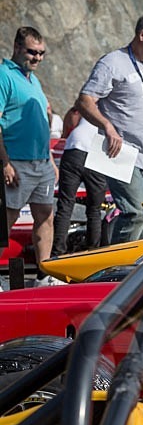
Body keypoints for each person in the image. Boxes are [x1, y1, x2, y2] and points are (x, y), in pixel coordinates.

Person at [76, 13, 143, 244]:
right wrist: (107, 126)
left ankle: (136, 269)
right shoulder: (112, 63)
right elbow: (85, 100)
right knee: (135, 213)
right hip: (117, 151)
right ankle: (117, 270)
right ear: (142, 36)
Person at [0, 26, 59, 282]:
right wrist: (5, 163)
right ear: (17, 48)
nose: (37, 58)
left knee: (45, 216)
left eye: (41, 53)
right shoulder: (4, 75)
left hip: (42, 163)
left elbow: (40, 123)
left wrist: (50, 159)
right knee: (7, 220)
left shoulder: (33, 79)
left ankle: (44, 276)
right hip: (17, 162)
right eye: (32, 52)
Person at [52, 113, 107, 256]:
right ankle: (93, 252)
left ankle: (58, 254)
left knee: (65, 206)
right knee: (94, 210)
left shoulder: (87, 104)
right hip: (96, 152)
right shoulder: (116, 105)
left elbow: (71, 118)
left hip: (74, 147)